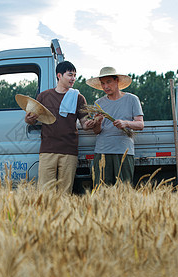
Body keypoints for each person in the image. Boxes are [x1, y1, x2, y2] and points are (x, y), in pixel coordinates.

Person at [24, 61, 92, 194]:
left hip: (69, 151)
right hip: (48, 150)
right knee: (45, 193)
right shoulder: (44, 96)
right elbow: (32, 119)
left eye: (75, 75)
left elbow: (84, 123)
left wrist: (91, 124)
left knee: (65, 193)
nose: (73, 78)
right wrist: (28, 119)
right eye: (70, 75)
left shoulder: (78, 98)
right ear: (59, 75)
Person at [85, 67, 144, 186]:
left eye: (108, 82)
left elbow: (140, 124)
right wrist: (97, 123)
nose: (105, 86)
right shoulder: (99, 103)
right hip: (102, 151)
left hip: (123, 152)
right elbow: (97, 131)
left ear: (116, 80)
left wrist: (125, 123)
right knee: (100, 191)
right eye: (102, 83)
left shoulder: (132, 99)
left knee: (123, 191)